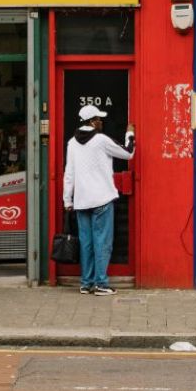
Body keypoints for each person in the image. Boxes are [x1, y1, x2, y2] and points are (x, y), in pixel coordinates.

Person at [63, 104, 135, 296]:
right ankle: (101, 284)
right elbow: (128, 153)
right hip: (101, 199)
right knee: (102, 243)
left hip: (81, 201)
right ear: (93, 121)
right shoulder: (101, 139)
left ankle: (86, 283)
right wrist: (130, 134)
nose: (101, 122)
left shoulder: (72, 143)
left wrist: (67, 200)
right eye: (99, 119)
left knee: (86, 243)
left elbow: (68, 173)